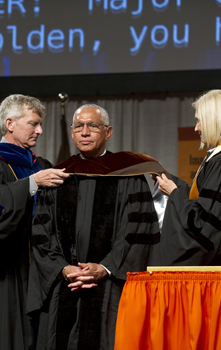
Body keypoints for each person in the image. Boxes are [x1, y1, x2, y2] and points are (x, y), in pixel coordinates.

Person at [27, 104, 163, 350]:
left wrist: (106, 267)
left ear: (108, 132)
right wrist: (63, 268)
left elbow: (136, 234)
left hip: (110, 289)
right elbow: (41, 235)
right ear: (71, 132)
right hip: (64, 286)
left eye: (93, 126)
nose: (85, 132)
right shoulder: (56, 177)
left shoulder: (129, 177)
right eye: (79, 126)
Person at [0, 94, 69, 350]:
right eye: (33, 123)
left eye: (40, 124)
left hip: (34, 274)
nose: (40, 131)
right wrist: (31, 184)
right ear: (10, 124)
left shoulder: (39, 166)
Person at [153, 89, 221, 266]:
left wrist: (174, 194)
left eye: (199, 121)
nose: (196, 128)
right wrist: (170, 181)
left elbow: (206, 224)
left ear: (215, 120)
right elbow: (206, 204)